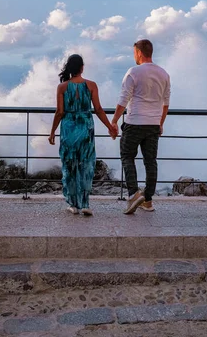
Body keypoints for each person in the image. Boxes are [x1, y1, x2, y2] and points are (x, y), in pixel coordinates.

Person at [49, 54, 117, 215]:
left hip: (68, 129)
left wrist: (52, 132)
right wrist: (110, 127)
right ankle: (85, 203)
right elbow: (99, 110)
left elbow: (59, 112)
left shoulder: (62, 87)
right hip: (86, 128)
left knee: (70, 165)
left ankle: (73, 204)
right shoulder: (92, 85)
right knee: (86, 165)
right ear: (82, 68)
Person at [111, 40, 171, 214]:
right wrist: (160, 124)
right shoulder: (164, 74)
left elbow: (123, 100)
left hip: (134, 122)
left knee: (127, 156)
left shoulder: (133, 72)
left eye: (134, 53)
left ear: (138, 53)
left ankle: (133, 194)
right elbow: (166, 103)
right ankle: (148, 201)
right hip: (153, 124)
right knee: (150, 162)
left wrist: (114, 121)